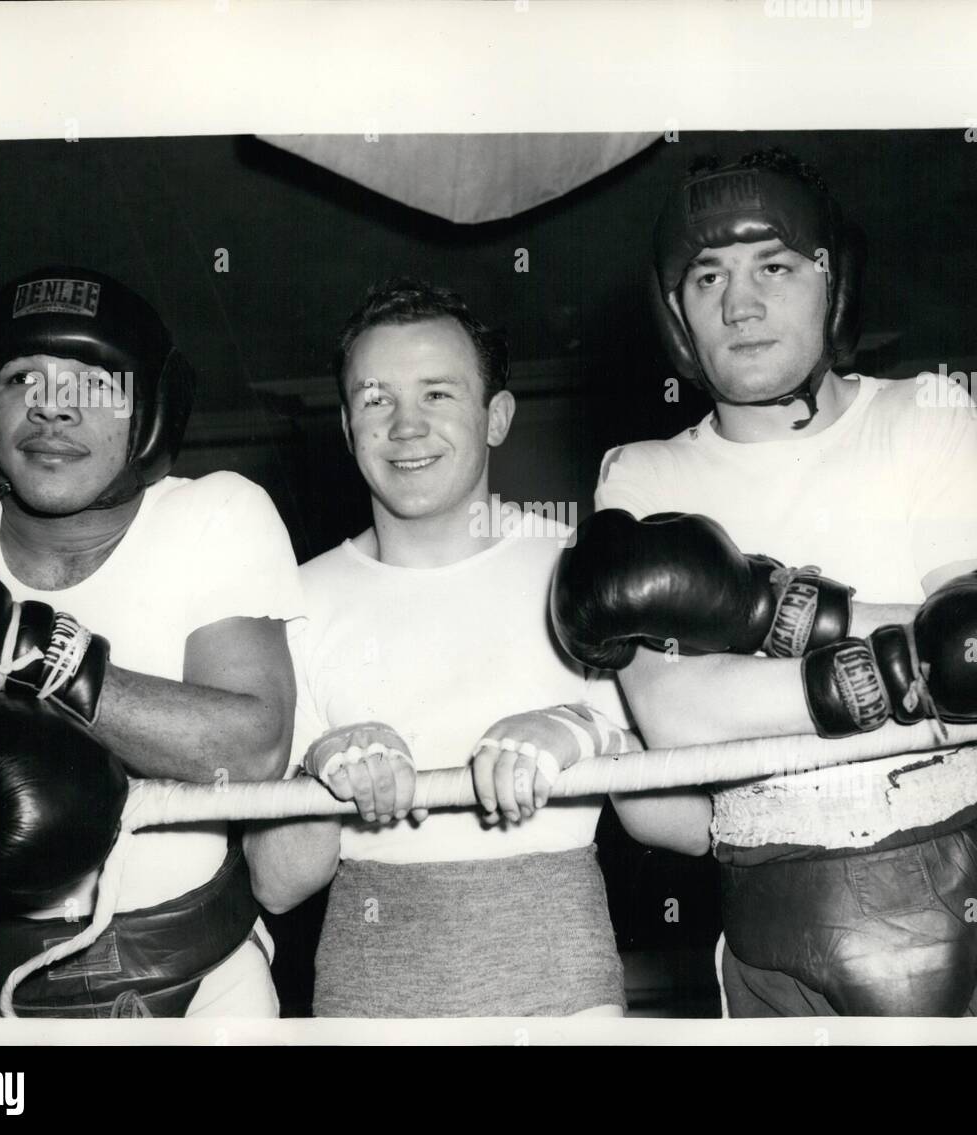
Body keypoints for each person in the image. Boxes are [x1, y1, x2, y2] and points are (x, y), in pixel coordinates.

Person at [553, 150, 977, 1017]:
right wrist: (921, 655)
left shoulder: (922, 413)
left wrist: (761, 611)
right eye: (707, 277)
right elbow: (681, 719)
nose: (740, 305)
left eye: (774, 267)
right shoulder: (642, 477)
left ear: (834, 283)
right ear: (676, 315)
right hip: (781, 918)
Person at [244, 279, 697, 1018]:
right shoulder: (293, 599)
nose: (405, 426)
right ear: (346, 424)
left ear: (496, 417)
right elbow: (278, 881)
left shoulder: (582, 570)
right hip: (370, 995)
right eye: (375, 398)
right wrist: (321, 768)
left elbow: (682, 823)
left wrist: (585, 730)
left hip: (561, 989)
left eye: (438, 395)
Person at [0, 266, 303, 1017]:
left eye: (92, 384)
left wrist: (31, 652)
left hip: (200, 990)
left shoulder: (216, 516)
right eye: (23, 377)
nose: (50, 409)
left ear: (148, 413)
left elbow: (250, 751)